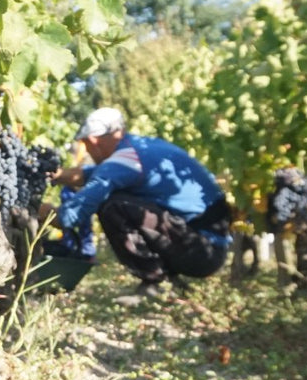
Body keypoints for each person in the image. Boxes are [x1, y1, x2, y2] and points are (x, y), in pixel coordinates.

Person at [46, 107, 231, 295]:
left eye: (86, 145)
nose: (88, 151)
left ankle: (155, 282)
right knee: (119, 199)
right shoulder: (139, 148)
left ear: (94, 141)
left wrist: (35, 210)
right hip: (209, 244)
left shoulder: (123, 160)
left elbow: (69, 217)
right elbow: (90, 174)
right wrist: (55, 175)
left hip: (202, 253)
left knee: (112, 206)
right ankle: (169, 282)